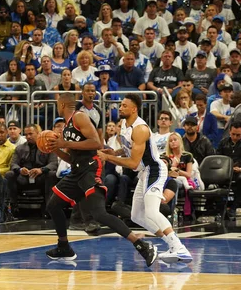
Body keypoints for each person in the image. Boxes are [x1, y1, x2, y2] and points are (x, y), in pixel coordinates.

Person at [44, 93, 158, 266]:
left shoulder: (79, 117)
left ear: (61, 105)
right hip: (77, 170)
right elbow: (72, 158)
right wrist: (55, 149)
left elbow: (96, 143)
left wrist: (65, 144)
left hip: (91, 168)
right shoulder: (67, 127)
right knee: (53, 205)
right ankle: (64, 247)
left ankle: (142, 245)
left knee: (99, 214)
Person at [98, 94, 193, 263]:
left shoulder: (140, 128)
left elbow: (134, 163)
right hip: (144, 173)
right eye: (120, 105)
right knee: (136, 216)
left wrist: (108, 158)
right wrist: (115, 153)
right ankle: (171, 245)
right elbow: (130, 150)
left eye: (124, 106)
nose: (120, 108)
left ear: (134, 109)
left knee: (151, 211)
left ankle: (179, 248)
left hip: (154, 170)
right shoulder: (125, 125)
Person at [217, 121, 241, 217]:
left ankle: (234, 206)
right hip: (226, 171)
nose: (235, 137)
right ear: (229, 131)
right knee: (215, 181)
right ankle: (219, 208)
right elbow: (218, 158)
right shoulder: (223, 142)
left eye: (238, 135)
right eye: (233, 134)